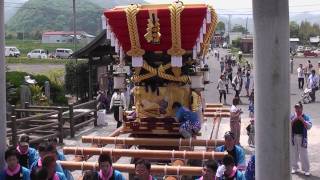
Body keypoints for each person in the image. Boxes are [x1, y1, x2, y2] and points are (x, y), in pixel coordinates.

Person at [290, 102, 312, 176]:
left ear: (301, 108)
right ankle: (294, 168)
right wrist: (294, 119)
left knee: (304, 154)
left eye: (298, 108)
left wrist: (302, 120)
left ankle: (306, 170)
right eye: (296, 108)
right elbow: (288, 125)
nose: (297, 109)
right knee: (293, 154)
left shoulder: (306, 116)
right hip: (293, 137)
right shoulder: (292, 116)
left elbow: (309, 126)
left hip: (302, 138)